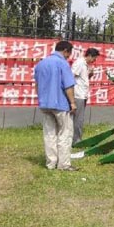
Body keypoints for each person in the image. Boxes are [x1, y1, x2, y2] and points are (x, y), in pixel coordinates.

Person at [34, 40, 78, 171]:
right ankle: (64, 164)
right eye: (69, 54)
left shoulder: (41, 64)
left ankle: (51, 163)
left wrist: (41, 98)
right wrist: (72, 102)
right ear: (65, 51)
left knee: (49, 134)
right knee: (65, 133)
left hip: (45, 104)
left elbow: (37, 85)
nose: (68, 57)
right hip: (60, 104)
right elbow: (68, 86)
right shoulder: (62, 64)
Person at [71, 47, 100, 157]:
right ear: (89, 56)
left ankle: (76, 139)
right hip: (78, 94)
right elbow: (71, 76)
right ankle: (76, 141)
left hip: (82, 94)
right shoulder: (79, 63)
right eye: (94, 58)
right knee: (78, 119)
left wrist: (90, 75)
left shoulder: (86, 65)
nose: (94, 61)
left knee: (79, 118)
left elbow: (83, 78)